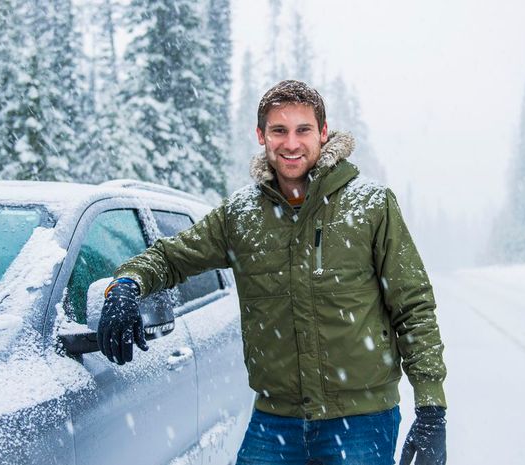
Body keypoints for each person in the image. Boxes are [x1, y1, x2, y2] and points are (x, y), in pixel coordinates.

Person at [98, 80, 447, 465]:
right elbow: (171, 257)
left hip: (362, 419)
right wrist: (126, 284)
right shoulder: (241, 216)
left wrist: (431, 407)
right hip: (276, 421)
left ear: (324, 132)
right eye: (279, 130)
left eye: (303, 130)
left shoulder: (370, 205)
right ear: (261, 135)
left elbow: (413, 304)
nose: (291, 143)